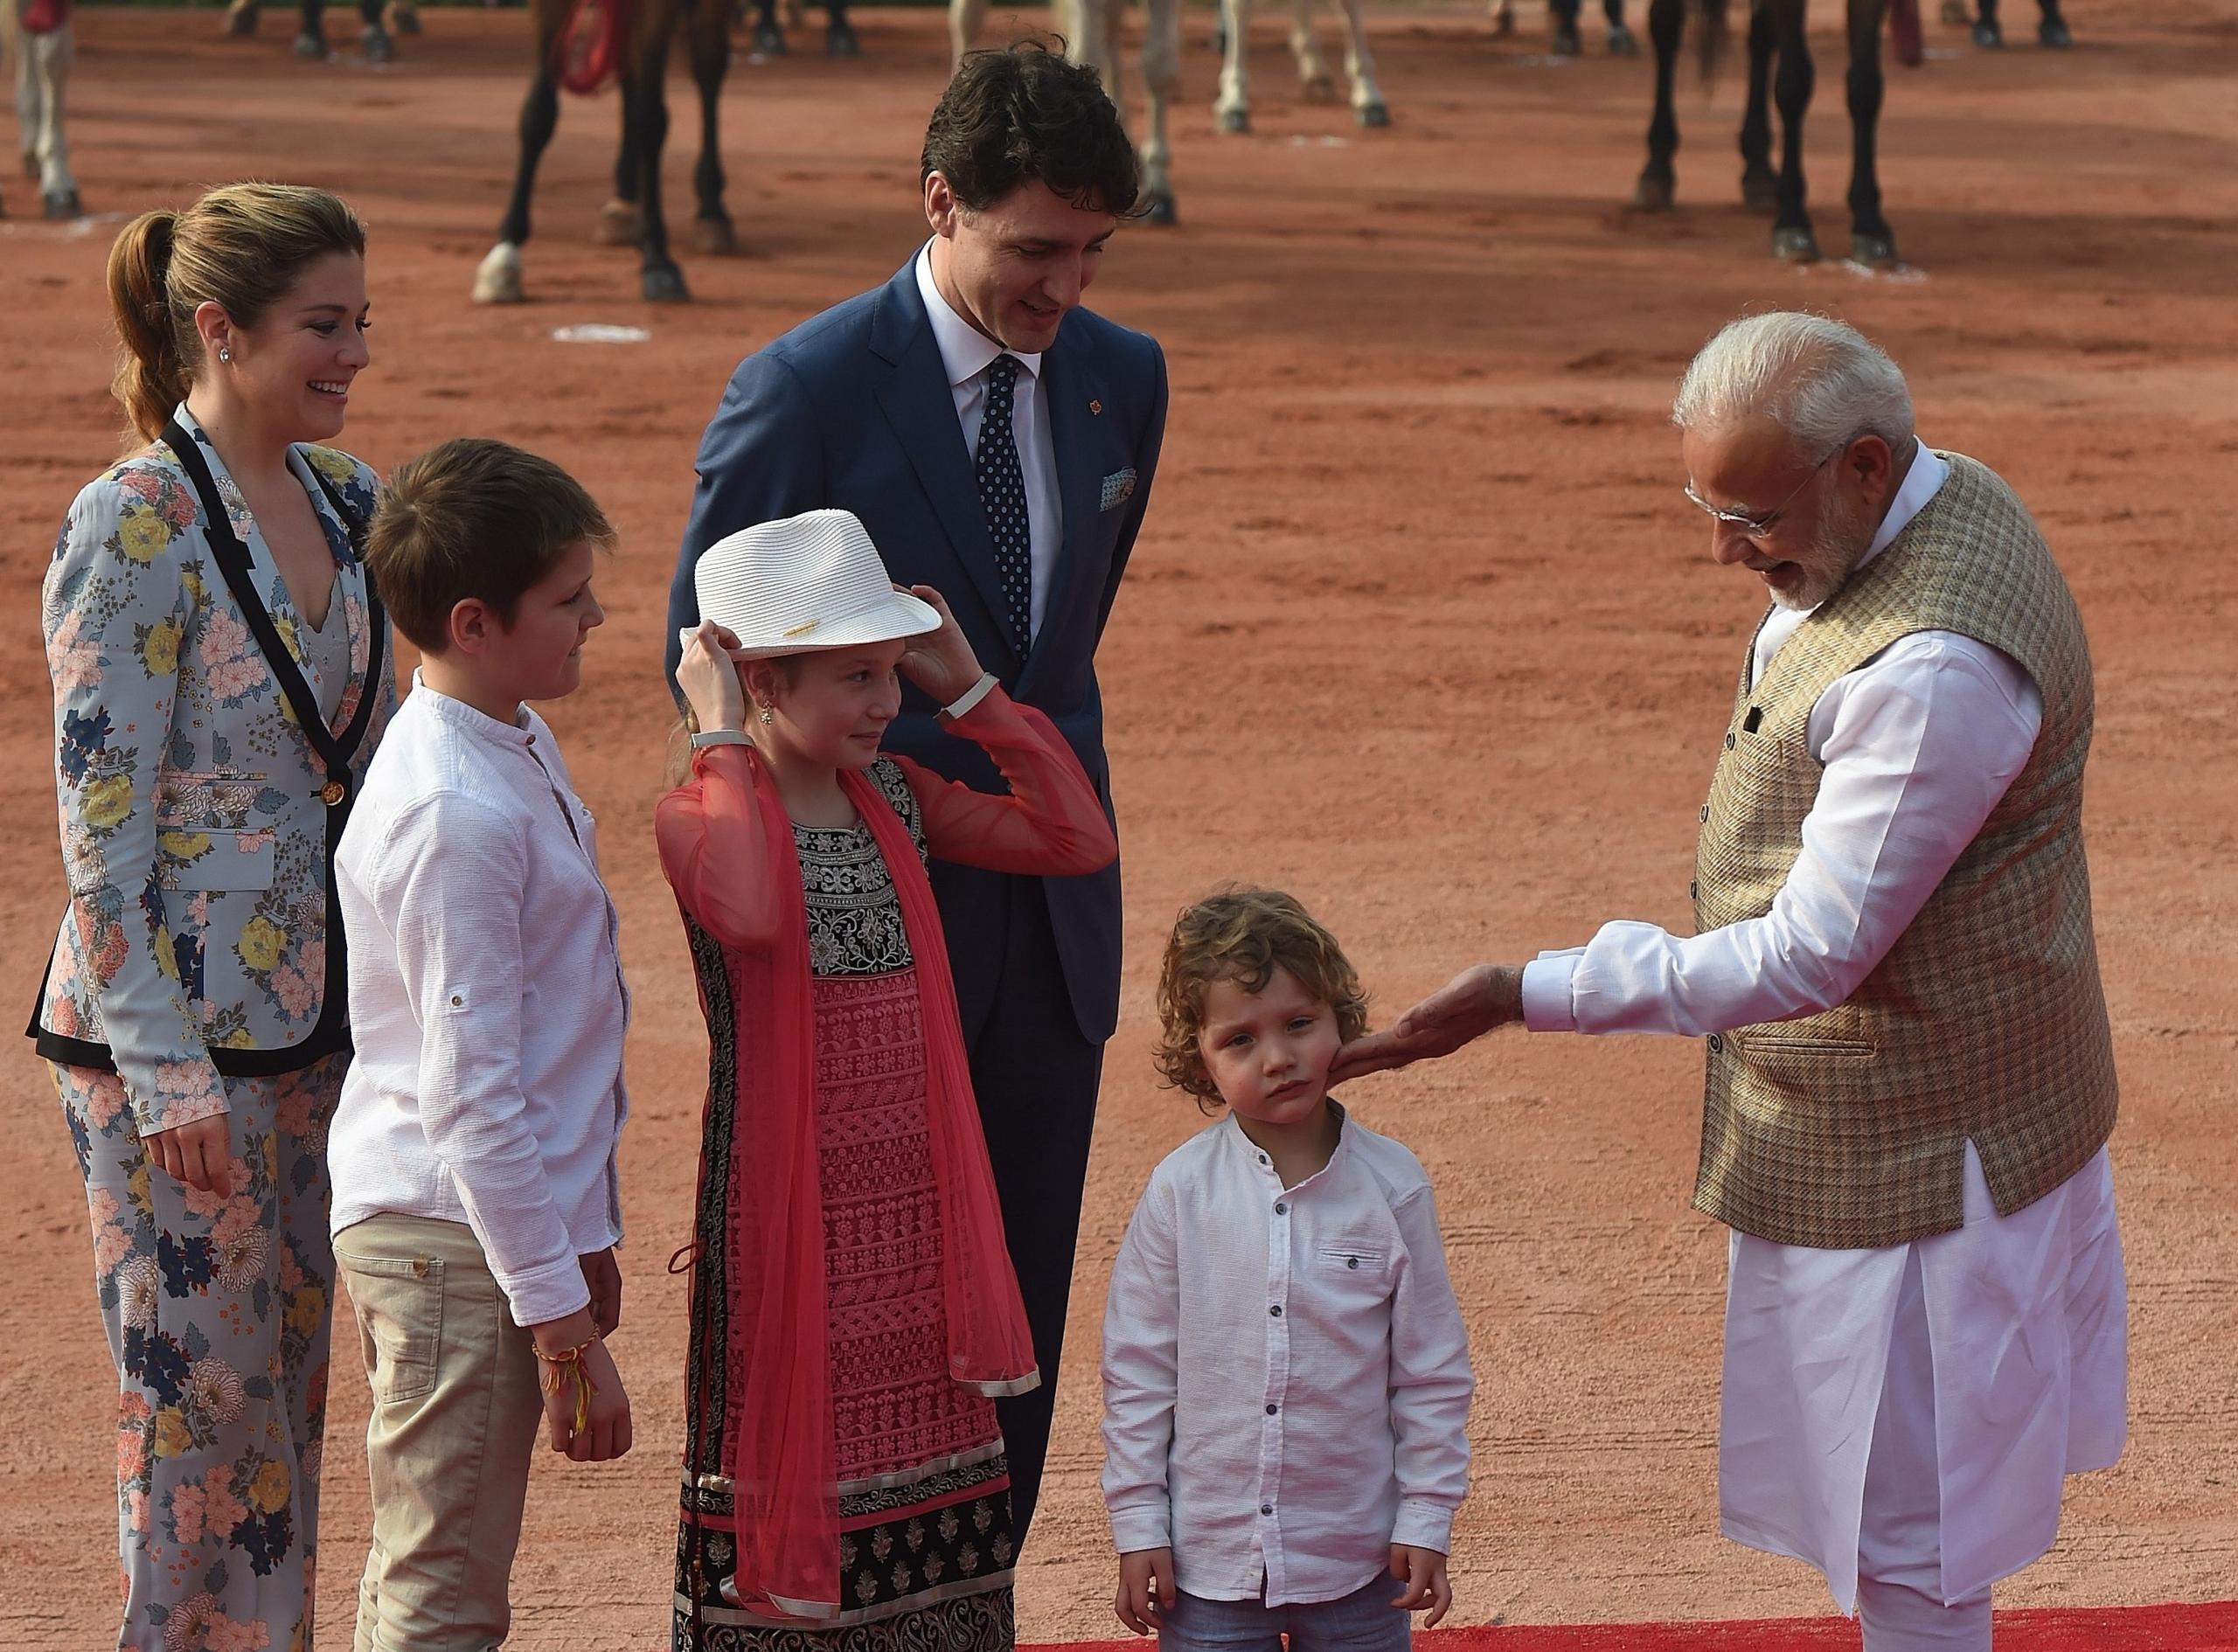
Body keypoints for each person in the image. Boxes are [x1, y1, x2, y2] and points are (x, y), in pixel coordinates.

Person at [1338, 311, 2126, 1652]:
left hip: (1922, 1172)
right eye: (1709, 506)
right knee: (1911, 1535)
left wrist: (1533, 989)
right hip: (1938, 1120)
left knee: (1917, 1545)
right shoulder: (1940, 500)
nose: (1724, 550)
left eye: (1752, 515)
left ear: (1867, 464)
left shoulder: (1933, 669)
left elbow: (1812, 952)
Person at [664, 38, 1168, 1543]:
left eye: (1089, 252)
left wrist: (983, 721)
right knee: (850, 1312)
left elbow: (1058, 651)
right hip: (856, 922)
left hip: (1043, 903)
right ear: (938, 201)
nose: (1063, 288)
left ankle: (977, 1603)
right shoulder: (805, 388)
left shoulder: (1123, 382)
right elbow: (707, 654)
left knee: (1016, 1296)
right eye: (1032, 248)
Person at [30, 182, 387, 1652]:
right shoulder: (133, 523)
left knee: (282, 1417)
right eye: (323, 325)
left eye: (363, 320)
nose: (354, 352)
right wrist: (164, 1071)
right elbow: (98, 835)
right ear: (219, 330)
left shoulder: (353, 498)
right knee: (193, 1435)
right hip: (167, 1055)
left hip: (318, 1031)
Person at [660, 508, 1118, 1650]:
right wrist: (717, 734)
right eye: (855, 676)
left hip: (914, 1224)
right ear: (760, 677)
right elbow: (755, 908)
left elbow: (1076, 839)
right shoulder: (700, 812)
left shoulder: (902, 794)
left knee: (930, 1501)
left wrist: (970, 691)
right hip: (792, 1225)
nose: (886, 701)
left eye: (890, 671)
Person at [329, 438, 635, 1651]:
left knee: (432, 1568)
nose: (595, 616)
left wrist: (584, 1235)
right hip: (452, 1240)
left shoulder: (499, 733)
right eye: (566, 601)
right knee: (443, 1591)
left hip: (468, 1233)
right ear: (475, 618)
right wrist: (561, 1321)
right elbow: (474, 1101)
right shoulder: (459, 809)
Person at [1102, 888, 1474, 1652]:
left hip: (1359, 1567)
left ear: (1341, 1018)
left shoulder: (1394, 1187)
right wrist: (1138, 1523)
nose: (1277, 1057)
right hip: (1205, 1571)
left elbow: (1431, 1371)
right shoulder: (1179, 1192)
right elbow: (1138, 1370)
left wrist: (1427, 1517)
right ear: (1199, 1061)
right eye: (1239, 1040)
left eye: (1299, 1024)